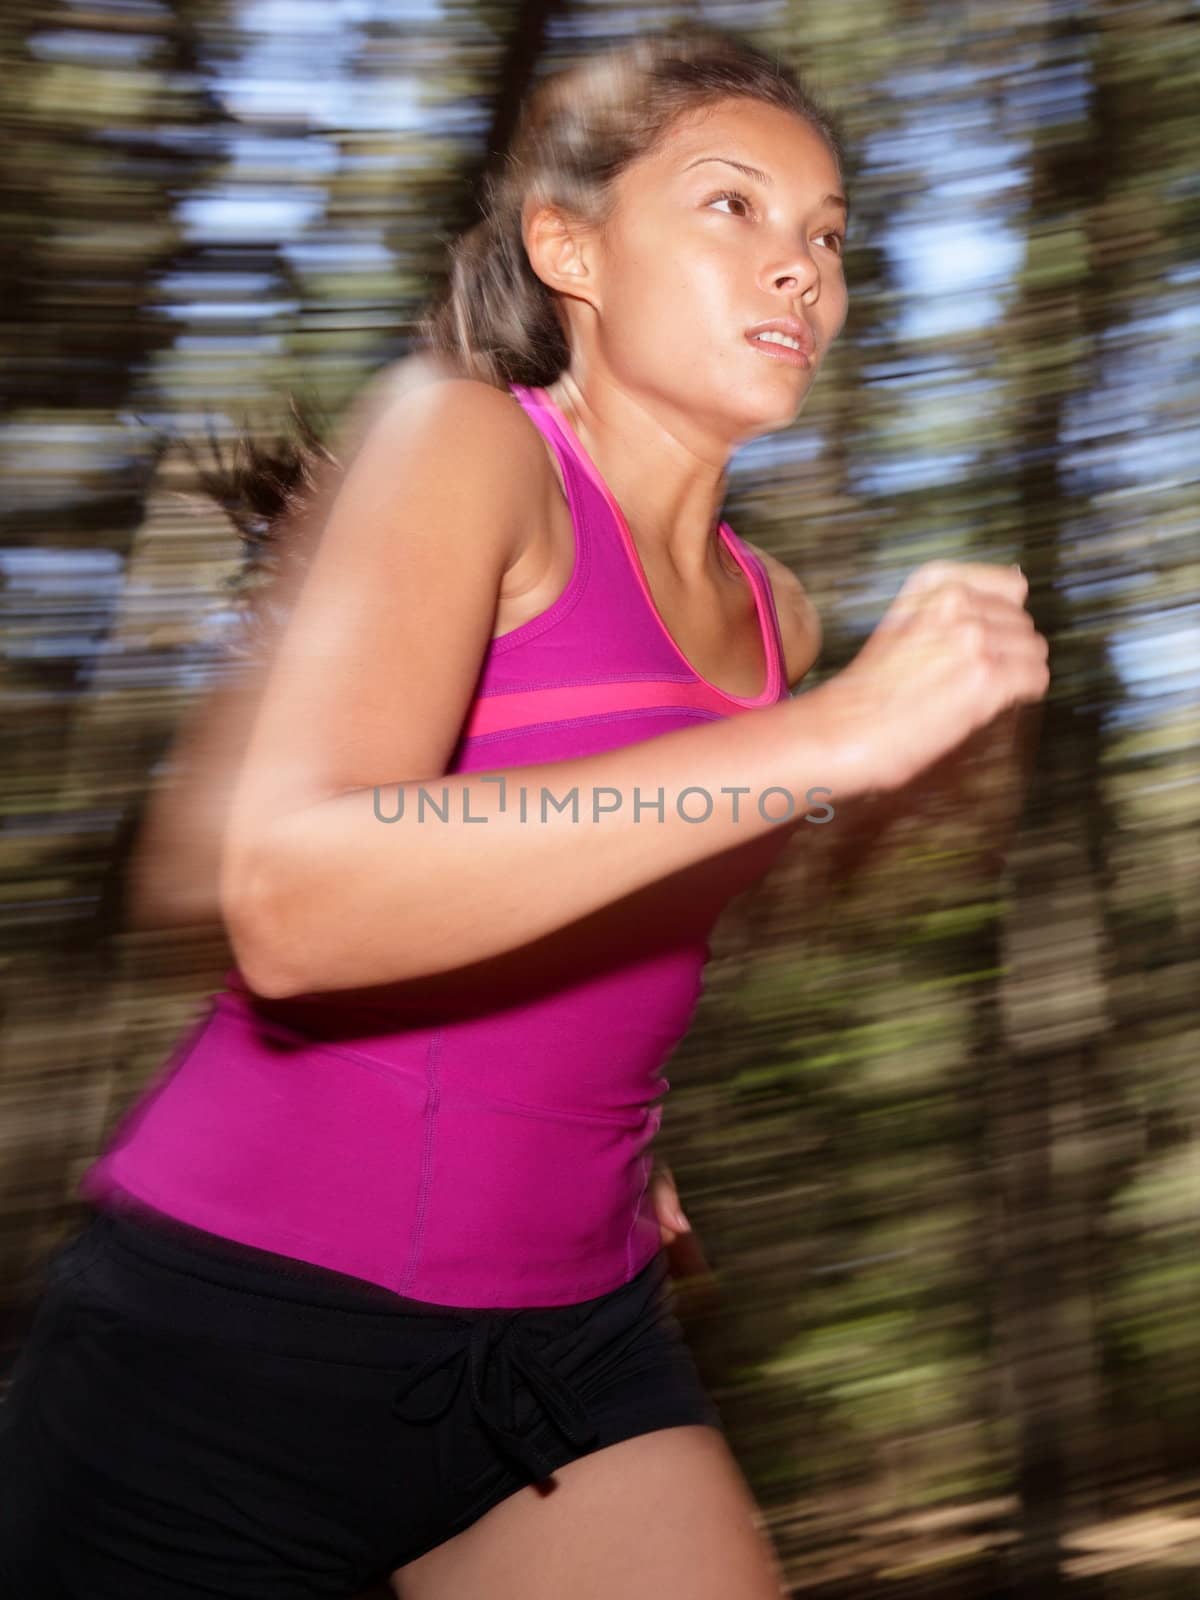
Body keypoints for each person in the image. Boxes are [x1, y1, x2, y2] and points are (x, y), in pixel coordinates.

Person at [0, 23, 1049, 1600]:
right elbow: (291, 904)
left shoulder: (781, 616)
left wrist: (592, 1134)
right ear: (572, 249)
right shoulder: (467, 439)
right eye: (731, 207)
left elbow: (607, 899)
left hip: (573, 1339)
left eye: (827, 234)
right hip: (237, 1346)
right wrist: (834, 745)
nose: (801, 269)